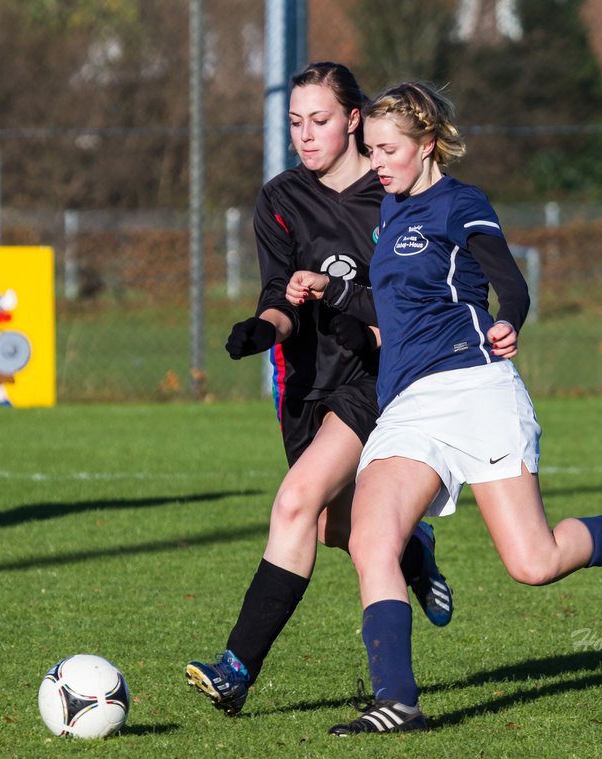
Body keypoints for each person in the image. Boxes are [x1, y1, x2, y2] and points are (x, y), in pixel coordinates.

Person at [289, 81, 602, 737]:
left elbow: (506, 280)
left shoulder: (462, 203)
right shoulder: (391, 215)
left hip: (473, 389)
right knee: (373, 538)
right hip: (407, 407)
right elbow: (392, 307)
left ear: (427, 143)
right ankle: (397, 701)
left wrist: (509, 318)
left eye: (388, 149)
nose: (377, 163)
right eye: (370, 150)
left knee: (534, 563)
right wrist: (335, 295)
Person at [184, 62, 453, 716]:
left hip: (376, 380)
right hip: (305, 382)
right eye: (295, 123)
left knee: (294, 502)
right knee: (338, 524)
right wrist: (264, 327)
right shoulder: (279, 200)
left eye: (321, 121)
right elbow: (281, 296)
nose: (306, 136)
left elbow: (416, 299)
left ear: (354, 119)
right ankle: (413, 547)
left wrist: (363, 315)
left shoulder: (393, 193)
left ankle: (236, 667)